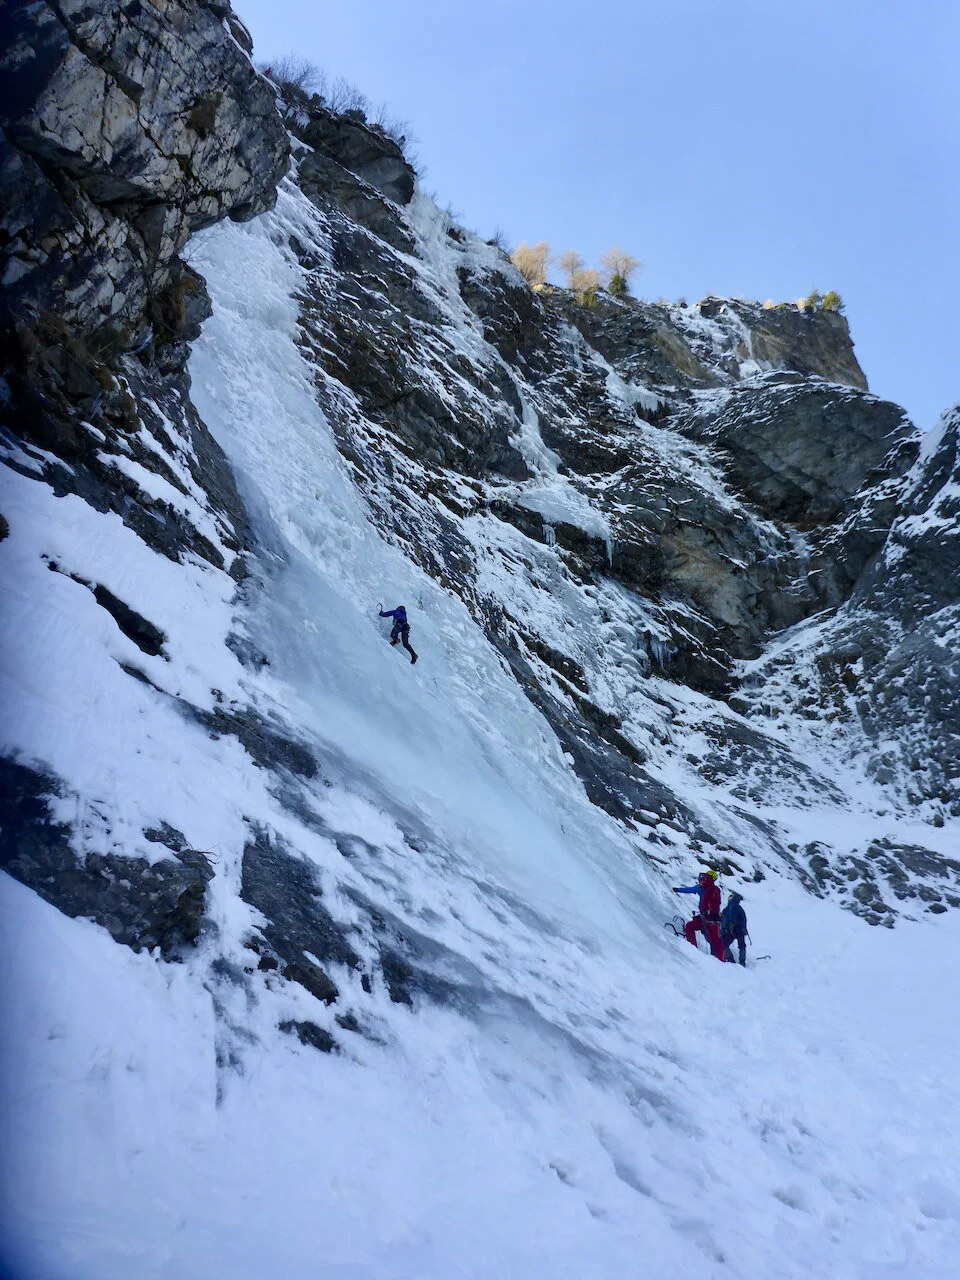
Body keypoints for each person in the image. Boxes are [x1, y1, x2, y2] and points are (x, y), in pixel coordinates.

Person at [672, 870, 725, 961]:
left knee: (713, 939)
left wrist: (678, 890)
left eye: (704, 878)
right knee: (711, 938)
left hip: (711, 918)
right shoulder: (708, 888)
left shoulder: (710, 889)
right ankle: (696, 952)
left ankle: (720, 961)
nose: (701, 880)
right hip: (707, 917)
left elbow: (691, 890)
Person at [720, 891, 748, 967]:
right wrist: (744, 928)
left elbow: (723, 922)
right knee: (742, 946)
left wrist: (722, 932)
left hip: (729, 930)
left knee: (724, 944)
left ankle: (730, 960)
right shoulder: (739, 908)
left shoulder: (725, 909)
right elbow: (743, 919)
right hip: (739, 929)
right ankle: (742, 962)